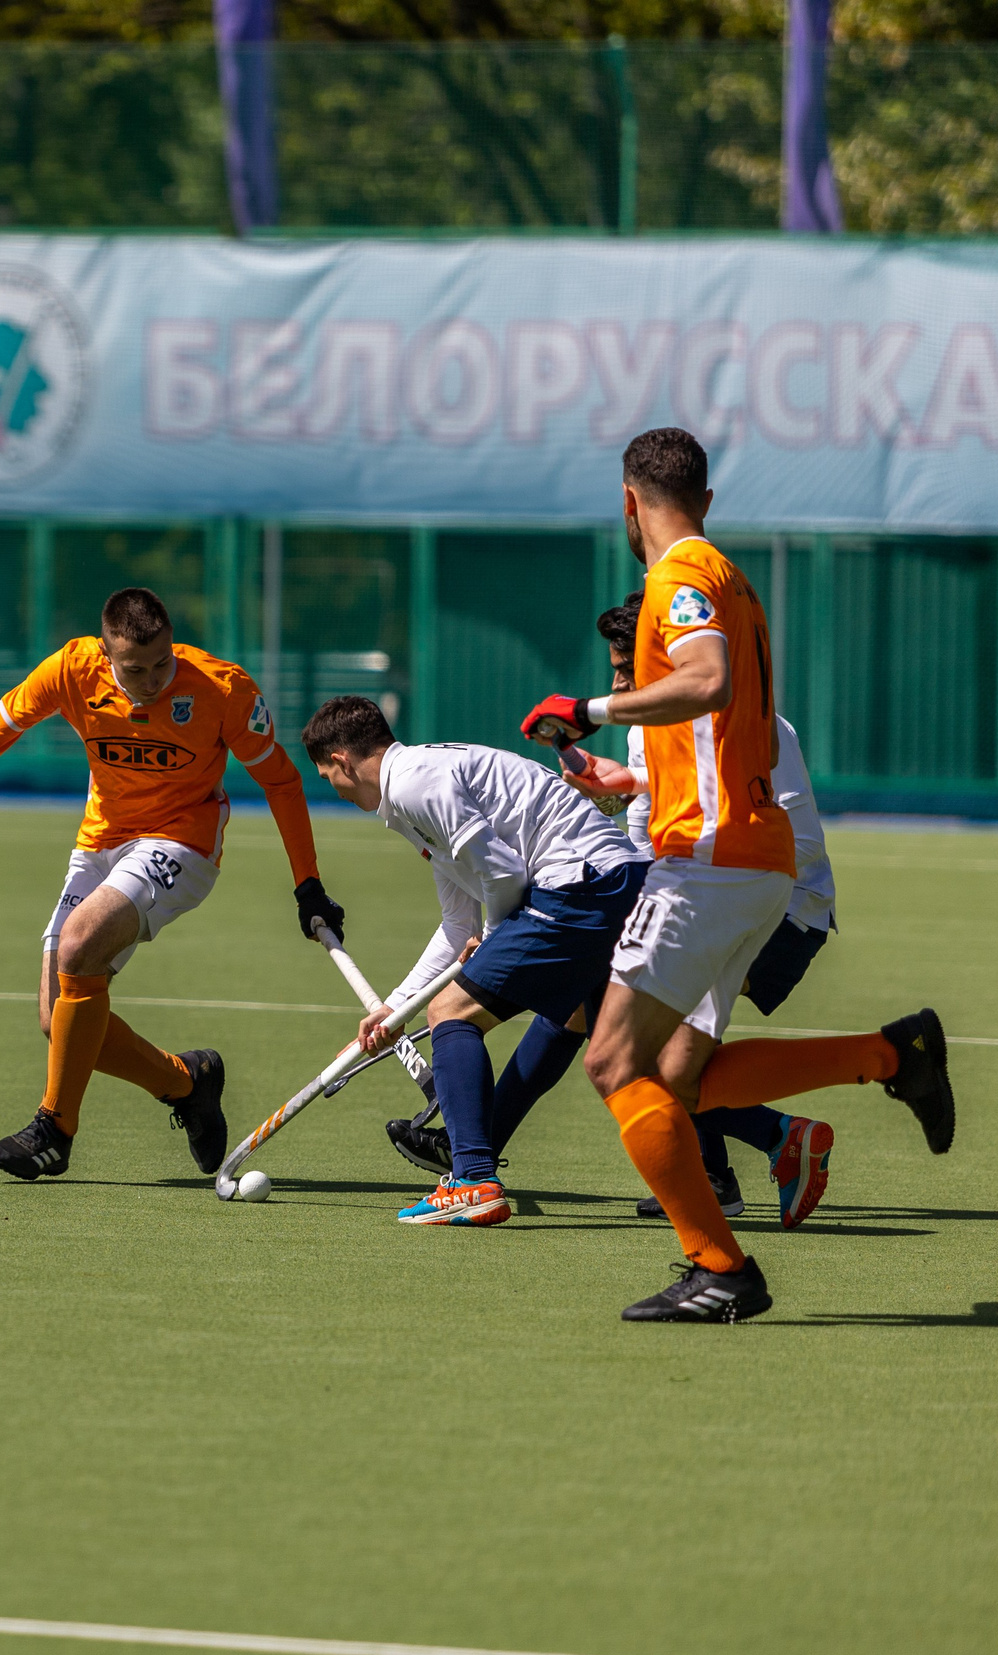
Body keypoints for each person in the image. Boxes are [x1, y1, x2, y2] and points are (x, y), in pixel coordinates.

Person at [522, 428, 952, 1323]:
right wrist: (633, 779)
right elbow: (716, 728)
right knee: (681, 1077)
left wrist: (592, 708)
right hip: (753, 859)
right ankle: (891, 1054)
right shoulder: (730, 577)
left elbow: (708, 680)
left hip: (709, 862)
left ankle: (720, 1265)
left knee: (611, 1059)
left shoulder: (679, 575)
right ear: (707, 500)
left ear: (628, 501)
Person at [0, 586, 343, 1181]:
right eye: (134, 669)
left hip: (182, 842)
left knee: (77, 946)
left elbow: (280, 781)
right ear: (105, 652)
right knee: (58, 1019)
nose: (152, 681)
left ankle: (54, 1129)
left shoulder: (222, 689)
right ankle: (186, 1082)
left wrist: (308, 883)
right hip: (100, 841)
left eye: (162, 663)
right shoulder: (72, 670)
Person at [303, 697, 647, 1228]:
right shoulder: (412, 791)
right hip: (615, 882)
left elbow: (504, 874)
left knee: (451, 1012)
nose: (336, 790)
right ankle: (774, 1139)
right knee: (607, 1044)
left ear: (342, 760)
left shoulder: (414, 784)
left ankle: (472, 1178)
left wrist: (491, 939)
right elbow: (456, 925)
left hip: (583, 884)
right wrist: (395, 1008)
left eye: (329, 777)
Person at [562, 599, 844, 1229]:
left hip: (785, 909)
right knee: (621, 1029)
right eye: (615, 670)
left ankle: (776, 1138)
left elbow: (797, 844)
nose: (616, 686)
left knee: (638, 1043)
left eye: (627, 669)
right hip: (709, 895)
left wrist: (691, 856)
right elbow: (644, 840)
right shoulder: (643, 731)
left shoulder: (756, 723)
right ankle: (736, 1167)